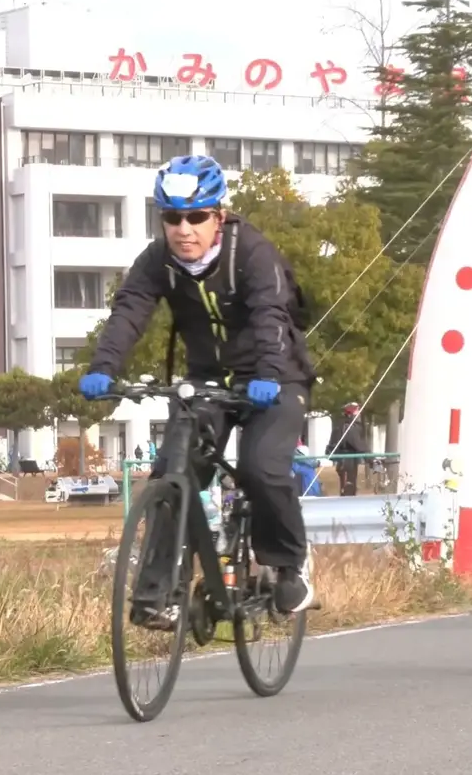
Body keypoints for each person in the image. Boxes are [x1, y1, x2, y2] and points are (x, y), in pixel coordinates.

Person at [77, 154, 318, 627]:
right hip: (206, 380)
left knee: (261, 468)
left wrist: (269, 373)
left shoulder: (251, 252)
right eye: (171, 217)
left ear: (218, 217)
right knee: (173, 475)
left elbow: (272, 315)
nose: (183, 229)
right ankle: (158, 593)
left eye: (196, 216)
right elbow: (129, 313)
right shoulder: (157, 261)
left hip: (276, 378)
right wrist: (103, 367)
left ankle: (290, 564)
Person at [328, 402, 366, 496]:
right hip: (348, 462)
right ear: (352, 413)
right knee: (348, 488)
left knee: (346, 487)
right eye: (357, 411)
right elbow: (359, 445)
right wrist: (372, 459)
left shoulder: (341, 425)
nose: (359, 413)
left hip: (344, 461)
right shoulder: (349, 426)